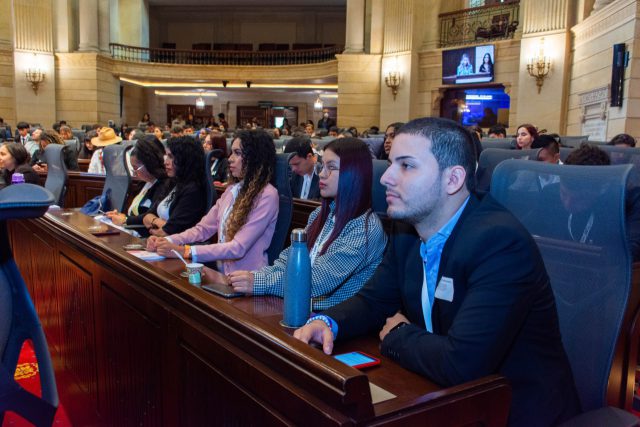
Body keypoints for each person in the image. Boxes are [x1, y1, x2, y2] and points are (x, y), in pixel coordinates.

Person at [293, 118, 581, 426]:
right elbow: (375, 299)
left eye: (406, 166)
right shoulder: (406, 228)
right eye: (391, 164)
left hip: (510, 411)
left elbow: (463, 363)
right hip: (439, 393)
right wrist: (327, 322)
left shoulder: (499, 242)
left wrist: (399, 335)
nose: (386, 178)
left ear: (453, 179)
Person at [229, 138, 387, 310]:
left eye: (331, 167)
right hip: (302, 306)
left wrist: (259, 282)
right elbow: (288, 259)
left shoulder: (364, 229)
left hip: (331, 320)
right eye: (323, 166)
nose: (322, 174)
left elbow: (316, 283)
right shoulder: (320, 214)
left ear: (354, 173)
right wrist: (253, 276)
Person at [146, 130, 279, 274]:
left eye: (237, 153)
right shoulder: (232, 190)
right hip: (222, 274)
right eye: (231, 152)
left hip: (248, 280)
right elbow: (202, 229)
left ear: (255, 157)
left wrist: (185, 250)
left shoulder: (267, 195)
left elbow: (238, 248)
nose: (230, 159)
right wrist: (167, 241)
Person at [105, 136, 171, 236]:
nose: (134, 173)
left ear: (149, 164)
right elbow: (136, 213)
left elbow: (150, 215)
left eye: (136, 168)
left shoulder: (164, 184)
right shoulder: (145, 183)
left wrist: (126, 220)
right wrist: (121, 216)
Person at [142, 136, 207, 236]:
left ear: (185, 159)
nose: (165, 162)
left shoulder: (193, 191)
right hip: (158, 242)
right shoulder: (173, 182)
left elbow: (170, 231)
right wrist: (157, 221)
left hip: (175, 246)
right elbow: (147, 216)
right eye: (166, 156)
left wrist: (153, 223)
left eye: (171, 157)